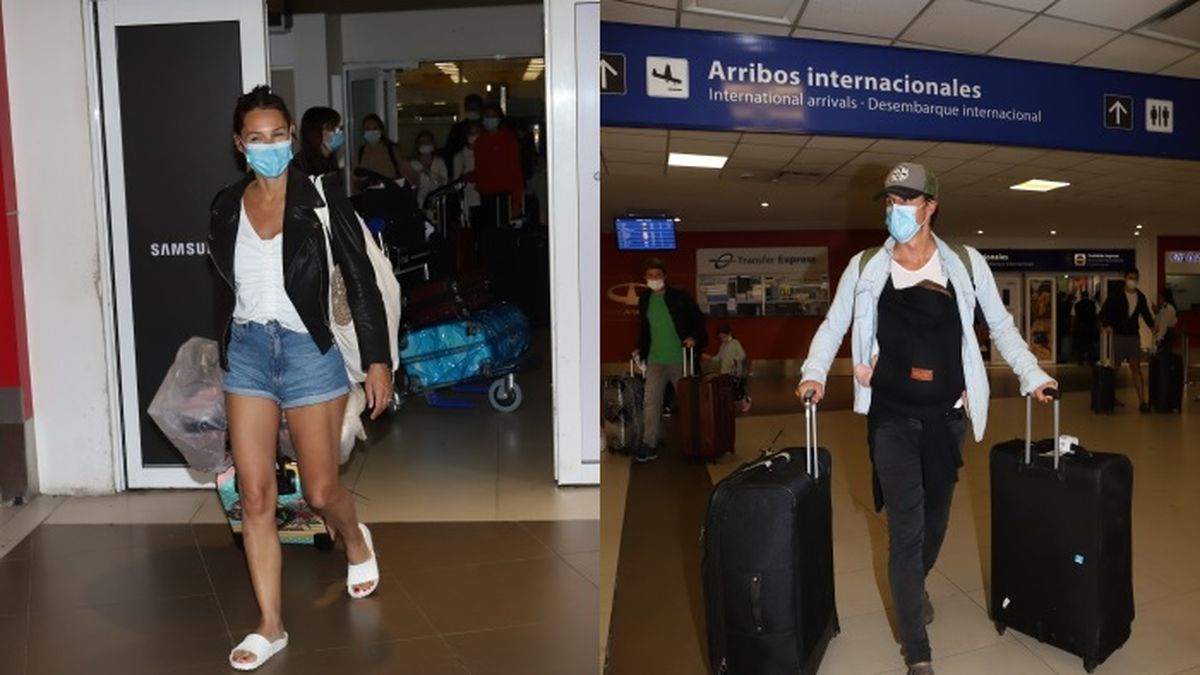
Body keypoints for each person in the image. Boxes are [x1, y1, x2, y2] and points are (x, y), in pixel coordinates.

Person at [796, 162, 1056, 675]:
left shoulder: (963, 261)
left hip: (947, 416)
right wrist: (814, 372)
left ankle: (912, 587)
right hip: (890, 414)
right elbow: (834, 325)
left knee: (936, 520)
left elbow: (1000, 326)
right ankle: (918, 653)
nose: (896, 210)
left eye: (907, 201)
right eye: (890, 202)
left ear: (931, 206)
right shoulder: (868, 265)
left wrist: (1032, 375)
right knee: (907, 528)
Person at [209, 85, 394, 671]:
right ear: (240, 145)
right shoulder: (223, 206)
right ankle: (271, 625)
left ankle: (355, 538)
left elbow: (359, 278)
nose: (269, 147)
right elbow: (224, 287)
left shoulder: (319, 197)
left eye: (279, 135)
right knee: (255, 495)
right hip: (248, 354)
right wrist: (225, 349)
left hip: (307, 352)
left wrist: (377, 358)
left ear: (292, 136)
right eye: (256, 138)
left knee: (319, 492)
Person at [631, 258, 708, 463]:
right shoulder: (645, 299)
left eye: (658, 275)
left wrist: (694, 337)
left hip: (679, 358)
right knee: (651, 402)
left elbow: (698, 321)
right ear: (645, 278)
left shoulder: (680, 297)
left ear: (665, 277)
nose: (654, 279)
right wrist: (641, 348)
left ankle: (696, 443)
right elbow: (646, 328)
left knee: (689, 403)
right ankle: (650, 442)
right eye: (650, 276)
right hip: (655, 359)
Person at [1100, 269, 1155, 412]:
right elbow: (1103, 313)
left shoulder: (1140, 296)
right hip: (1118, 335)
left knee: (1135, 367)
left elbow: (1146, 314)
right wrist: (1106, 325)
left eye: (1135, 278)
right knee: (1115, 368)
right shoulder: (1116, 295)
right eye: (1130, 278)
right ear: (1125, 279)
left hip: (1133, 336)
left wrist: (1152, 326)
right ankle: (1109, 397)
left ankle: (1142, 401)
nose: (1133, 281)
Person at [473, 102, 525, 228]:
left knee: (503, 234)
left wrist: (515, 202)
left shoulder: (509, 140)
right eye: (487, 116)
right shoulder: (480, 142)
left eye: (493, 116)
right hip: (485, 195)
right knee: (489, 233)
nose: (490, 120)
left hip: (504, 196)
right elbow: (481, 170)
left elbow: (516, 172)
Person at [352, 113, 418, 192]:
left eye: (375, 128)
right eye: (368, 129)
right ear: (363, 132)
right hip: (370, 199)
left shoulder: (392, 151)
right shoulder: (360, 153)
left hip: (391, 197)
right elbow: (355, 182)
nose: (371, 132)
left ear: (381, 130)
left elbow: (410, 174)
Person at [294, 106, 343, 177]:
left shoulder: (331, 160)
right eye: (332, 128)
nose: (338, 132)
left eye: (339, 128)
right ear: (316, 132)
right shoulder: (300, 164)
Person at [451, 121, 484, 224]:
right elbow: (457, 184)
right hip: (468, 201)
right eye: (471, 133)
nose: (474, 136)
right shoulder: (459, 157)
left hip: (485, 200)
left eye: (477, 132)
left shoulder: (486, 153)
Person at [409, 128, 449, 209]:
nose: (425, 144)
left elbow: (444, 183)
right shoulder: (412, 164)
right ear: (418, 145)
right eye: (422, 142)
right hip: (418, 206)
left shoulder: (439, 162)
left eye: (428, 141)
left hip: (437, 205)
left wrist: (428, 172)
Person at [442, 93, 484, 164]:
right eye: (470, 108)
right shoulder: (457, 129)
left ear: (480, 109)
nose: (472, 110)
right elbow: (449, 151)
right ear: (465, 109)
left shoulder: (486, 127)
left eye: (475, 108)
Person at [1071, 289, 1100, 366]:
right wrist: (1097, 326)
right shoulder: (1093, 304)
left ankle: (1080, 360)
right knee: (1090, 344)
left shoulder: (1077, 304)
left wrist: (1073, 327)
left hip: (1080, 327)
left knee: (1080, 344)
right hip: (1090, 327)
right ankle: (1091, 361)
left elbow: (1073, 316)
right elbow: (1097, 315)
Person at [1154, 288, 1178, 352]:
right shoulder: (1164, 308)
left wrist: (1159, 338)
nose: (1159, 299)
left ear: (1164, 297)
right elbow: (1158, 322)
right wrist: (1156, 313)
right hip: (1166, 334)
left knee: (1165, 355)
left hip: (1167, 334)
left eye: (1160, 297)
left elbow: (1163, 325)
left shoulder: (1168, 308)